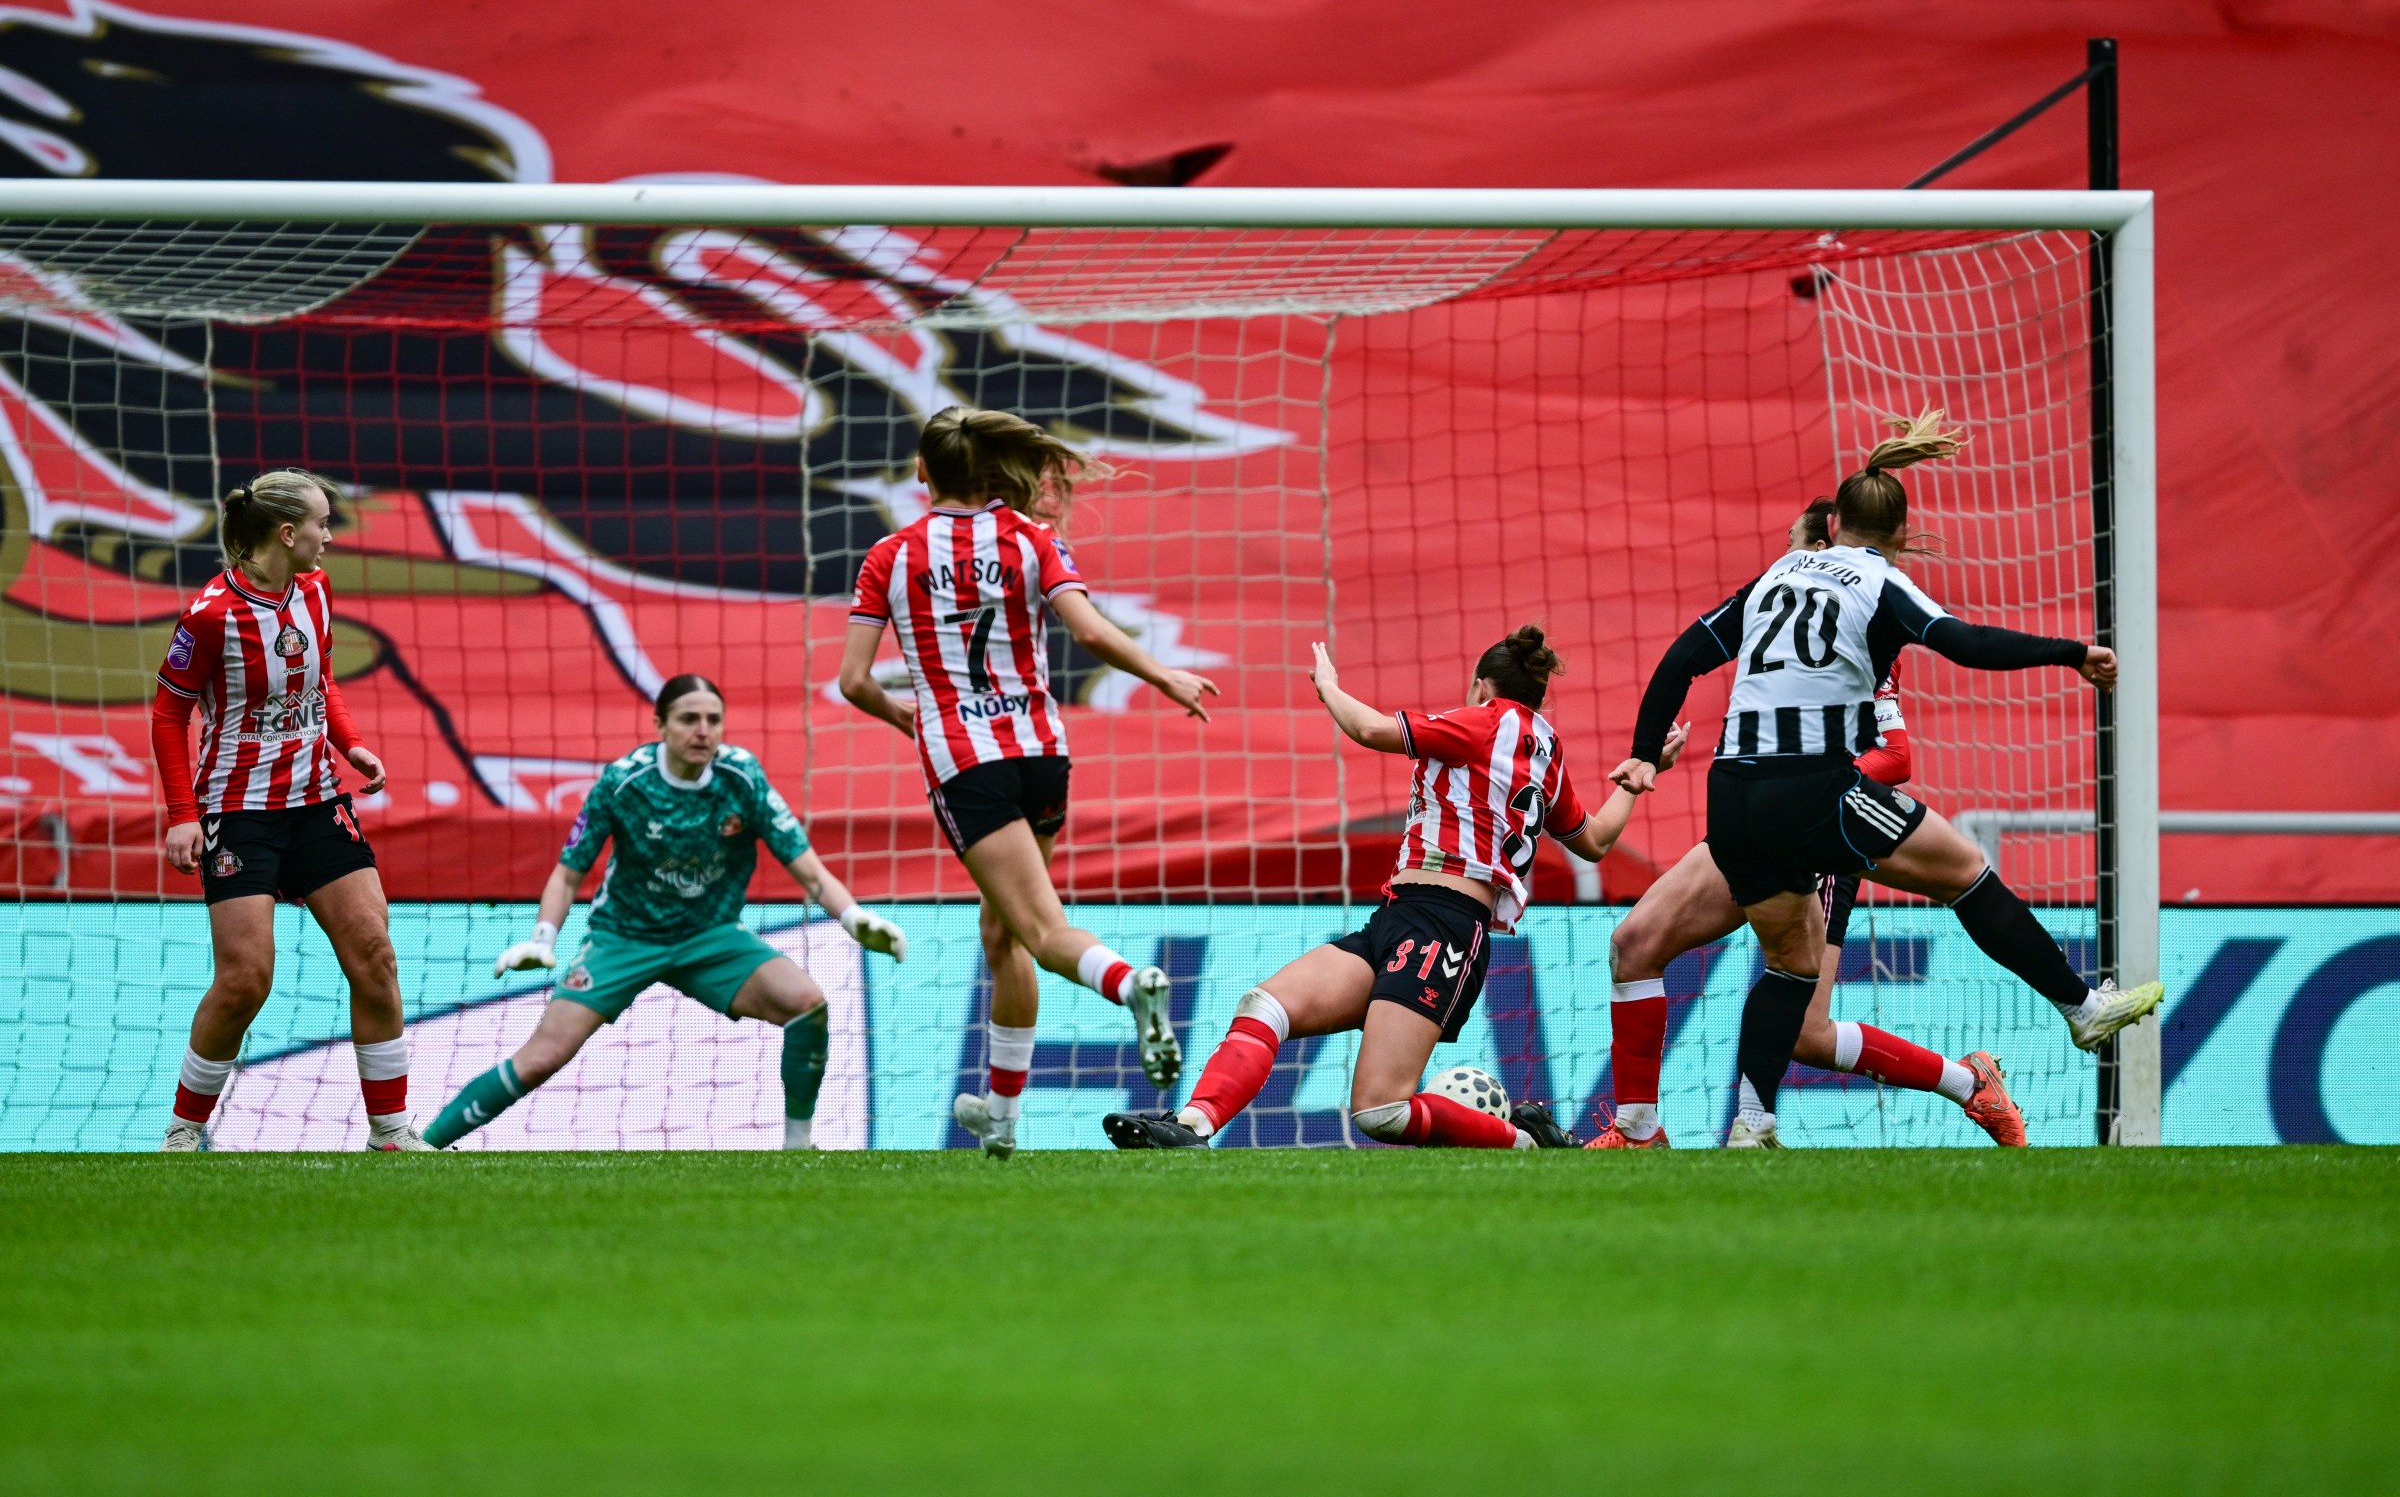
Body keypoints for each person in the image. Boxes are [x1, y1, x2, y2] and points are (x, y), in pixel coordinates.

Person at [1610, 410, 2163, 1150]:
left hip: (1729, 796)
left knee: (1790, 962)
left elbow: (1682, 657)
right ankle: (2080, 1006)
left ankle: (1751, 1123)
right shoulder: (1880, 583)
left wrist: (1646, 751)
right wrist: (2070, 653)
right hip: (1812, 791)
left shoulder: (1776, 574)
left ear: (1832, 522)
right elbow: (1964, 643)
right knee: (1963, 870)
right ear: (1900, 532)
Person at [1103, 627, 1688, 1151]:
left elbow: (1367, 728)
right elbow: (1595, 840)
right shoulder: (1547, 752)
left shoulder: (1484, 722)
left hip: (1444, 928)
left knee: (1380, 1110)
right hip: (1400, 916)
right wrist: (1642, 774)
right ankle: (1191, 1127)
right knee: (1268, 1004)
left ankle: (1522, 1142)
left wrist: (1328, 686)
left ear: (1483, 687)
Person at [838, 407, 1219, 1160]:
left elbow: (853, 681)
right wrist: (1164, 674)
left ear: (924, 473)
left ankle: (1126, 985)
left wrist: (906, 719)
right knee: (1000, 928)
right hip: (1041, 752)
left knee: (1042, 933)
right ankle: (1004, 1118)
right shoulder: (1030, 538)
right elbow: (1091, 632)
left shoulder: (891, 554)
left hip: (966, 762)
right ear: (988, 471)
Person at [1592, 499, 2024, 1150]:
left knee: (1806, 1033)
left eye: (1794, 545)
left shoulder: (1853, 628)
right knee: (1635, 945)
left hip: (1819, 830)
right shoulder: (1781, 620)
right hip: (1752, 823)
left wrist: (1822, 783)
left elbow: (1898, 755)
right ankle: (1639, 1130)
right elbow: (1686, 662)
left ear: (1820, 545)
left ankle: (1967, 1084)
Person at [422, 675, 904, 1150]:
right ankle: (422, 1147)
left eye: (713, 720)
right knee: (541, 1058)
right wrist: (542, 939)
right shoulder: (624, 781)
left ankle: (799, 1146)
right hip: (624, 937)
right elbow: (569, 872)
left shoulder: (743, 778)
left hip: (711, 936)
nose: (703, 731)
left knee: (807, 1003)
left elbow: (812, 873)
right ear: (660, 725)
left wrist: (854, 919)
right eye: (689, 719)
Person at [151, 470, 429, 1151]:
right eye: (321, 525)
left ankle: (391, 1134)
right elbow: (168, 714)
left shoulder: (316, 592)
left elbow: (321, 679)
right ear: (286, 533)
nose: (329, 537)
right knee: (246, 981)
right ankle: (185, 1132)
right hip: (237, 814)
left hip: (315, 803)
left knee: (375, 955)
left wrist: (351, 744)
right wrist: (182, 813)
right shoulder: (210, 614)